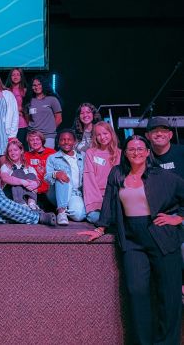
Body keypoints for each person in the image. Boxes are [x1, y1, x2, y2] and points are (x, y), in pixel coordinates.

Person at [79, 135, 184, 345]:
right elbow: (109, 202)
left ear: (147, 152)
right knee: (137, 292)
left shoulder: (163, 176)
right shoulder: (117, 173)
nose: (136, 152)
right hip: (132, 240)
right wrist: (101, 228)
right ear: (125, 153)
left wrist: (178, 217)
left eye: (140, 149)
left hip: (161, 237)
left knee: (169, 296)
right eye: (131, 149)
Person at [46, 129, 86, 225]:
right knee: (62, 175)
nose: (66, 142)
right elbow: (47, 177)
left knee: (79, 216)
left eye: (69, 139)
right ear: (58, 142)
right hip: (57, 192)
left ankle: (67, 207)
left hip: (75, 193)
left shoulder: (82, 156)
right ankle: (61, 212)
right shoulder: (53, 158)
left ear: (74, 142)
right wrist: (55, 174)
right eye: (62, 140)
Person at [83, 121, 121, 224]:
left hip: (114, 196)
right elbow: (89, 180)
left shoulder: (120, 153)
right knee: (95, 217)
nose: (102, 137)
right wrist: (98, 203)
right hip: (97, 196)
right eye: (98, 135)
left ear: (111, 134)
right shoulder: (91, 153)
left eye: (105, 133)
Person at [0, 139, 40, 210]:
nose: (12, 153)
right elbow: (4, 178)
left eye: (15, 150)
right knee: (18, 172)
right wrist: (22, 182)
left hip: (26, 196)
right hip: (10, 195)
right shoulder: (5, 166)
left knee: (31, 175)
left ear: (21, 151)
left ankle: (31, 203)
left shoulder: (29, 168)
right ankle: (21, 204)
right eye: (10, 151)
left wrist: (35, 184)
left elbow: (37, 180)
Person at [24, 75, 62, 149]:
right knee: (34, 156)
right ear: (31, 87)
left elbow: (59, 119)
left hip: (48, 136)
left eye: (39, 84)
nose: (37, 87)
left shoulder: (52, 100)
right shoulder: (28, 101)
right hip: (33, 137)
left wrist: (49, 130)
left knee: (47, 156)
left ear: (43, 85)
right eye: (34, 85)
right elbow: (28, 119)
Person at [24, 130, 56, 210]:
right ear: (29, 143)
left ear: (42, 140)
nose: (35, 142)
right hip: (34, 190)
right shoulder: (26, 155)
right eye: (32, 140)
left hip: (49, 190)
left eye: (37, 139)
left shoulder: (52, 153)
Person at [5, 68, 28, 148]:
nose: (15, 77)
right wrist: (15, 111)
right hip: (8, 124)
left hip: (21, 124)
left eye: (18, 74)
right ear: (10, 77)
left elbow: (28, 107)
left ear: (21, 77)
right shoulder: (5, 91)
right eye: (13, 75)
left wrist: (21, 110)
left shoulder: (25, 91)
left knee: (21, 149)